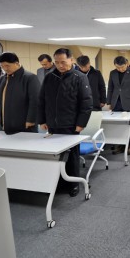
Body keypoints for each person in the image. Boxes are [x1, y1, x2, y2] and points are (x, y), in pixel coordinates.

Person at [38, 48, 92, 197]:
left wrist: (81, 123)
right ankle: (58, 183)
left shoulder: (79, 77)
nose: (60, 65)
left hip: (71, 124)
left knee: (71, 157)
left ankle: (74, 184)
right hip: (53, 124)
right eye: (57, 62)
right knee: (55, 156)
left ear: (71, 60)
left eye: (63, 62)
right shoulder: (50, 77)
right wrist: (42, 119)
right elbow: (42, 99)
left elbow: (86, 102)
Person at [0, 52, 40, 134]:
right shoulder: (3, 78)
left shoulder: (30, 78)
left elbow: (35, 101)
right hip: (3, 124)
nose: (5, 69)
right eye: (2, 66)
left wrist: (31, 120)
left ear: (17, 63)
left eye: (7, 65)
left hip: (24, 124)